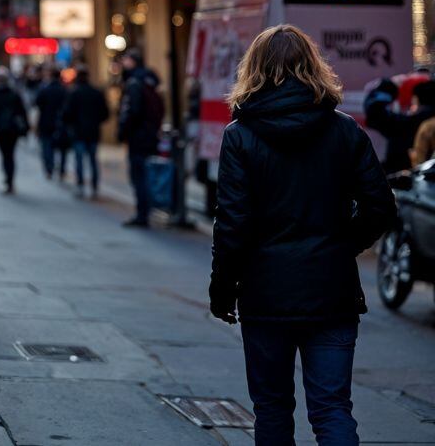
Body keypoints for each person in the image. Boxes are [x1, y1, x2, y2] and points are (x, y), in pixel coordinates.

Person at [210, 25, 396, 446]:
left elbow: (232, 224)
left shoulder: (240, 136)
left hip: (265, 294)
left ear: (253, 70)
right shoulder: (344, 129)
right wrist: (343, 245)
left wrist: (222, 290)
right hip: (331, 291)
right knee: (332, 409)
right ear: (314, 67)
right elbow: (380, 206)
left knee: (272, 409)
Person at [119, 49, 164, 226]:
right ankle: (147, 209)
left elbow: (132, 111)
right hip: (150, 133)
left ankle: (142, 213)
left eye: (126, 61)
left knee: (138, 174)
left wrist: (123, 131)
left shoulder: (134, 83)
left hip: (138, 136)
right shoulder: (151, 81)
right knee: (145, 172)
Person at [363, 77, 435, 174]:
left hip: (412, 182)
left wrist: (387, 86)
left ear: (417, 101)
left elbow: (375, 113)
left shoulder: (411, 124)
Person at [64, 65, 109, 199]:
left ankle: (80, 185)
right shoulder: (96, 93)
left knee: (80, 160)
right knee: (92, 159)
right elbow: (105, 113)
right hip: (93, 131)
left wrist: (71, 124)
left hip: (79, 132)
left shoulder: (74, 93)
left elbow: (67, 114)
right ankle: (94, 186)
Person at [0, 71, 29, 194]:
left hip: (1, 130)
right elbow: (22, 112)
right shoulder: (14, 95)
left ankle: (8, 179)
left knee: (5, 155)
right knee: (10, 154)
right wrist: (25, 127)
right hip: (12, 129)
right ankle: (10, 179)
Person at [33, 67, 69, 181]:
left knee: (47, 147)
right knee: (62, 148)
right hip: (61, 123)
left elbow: (38, 104)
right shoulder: (64, 90)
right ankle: (62, 170)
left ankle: (49, 168)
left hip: (46, 122)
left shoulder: (45, 90)